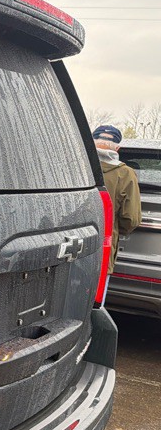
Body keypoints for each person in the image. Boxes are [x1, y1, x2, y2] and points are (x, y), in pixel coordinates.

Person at [92, 125, 141, 299]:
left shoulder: (76, 167)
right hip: (103, 248)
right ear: (117, 148)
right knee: (95, 303)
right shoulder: (125, 174)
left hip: (68, 244)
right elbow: (131, 218)